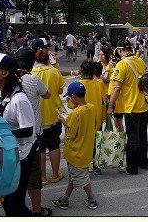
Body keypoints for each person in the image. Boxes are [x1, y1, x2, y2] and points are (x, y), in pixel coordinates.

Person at [0, 53, 37, 216]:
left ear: (4, 73)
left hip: (23, 154)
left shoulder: (19, 99)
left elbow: (28, 130)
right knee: (5, 199)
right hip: (8, 151)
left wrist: (0, 134)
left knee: (14, 203)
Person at [15, 48, 53, 217]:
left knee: (14, 172)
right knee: (32, 174)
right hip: (31, 135)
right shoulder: (33, 79)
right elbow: (47, 95)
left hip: (11, 135)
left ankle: (15, 207)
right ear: (32, 63)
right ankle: (37, 210)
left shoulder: (9, 79)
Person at [52, 81, 98, 210]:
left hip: (76, 151)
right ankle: (65, 198)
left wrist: (63, 121)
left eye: (70, 97)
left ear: (74, 97)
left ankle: (91, 199)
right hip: (86, 149)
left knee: (81, 178)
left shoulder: (75, 113)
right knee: (75, 176)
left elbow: (71, 133)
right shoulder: (92, 107)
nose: (69, 100)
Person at [106, 40, 148, 175]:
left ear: (119, 50)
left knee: (133, 137)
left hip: (131, 106)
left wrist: (111, 105)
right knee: (142, 135)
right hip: (143, 104)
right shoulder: (140, 61)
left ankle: (132, 168)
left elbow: (117, 87)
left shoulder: (122, 64)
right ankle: (143, 163)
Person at [30, 38, 66, 186]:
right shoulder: (54, 71)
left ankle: (43, 177)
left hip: (37, 116)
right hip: (53, 114)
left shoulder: (31, 73)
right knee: (54, 145)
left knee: (40, 148)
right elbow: (59, 90)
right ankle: (55, 175)